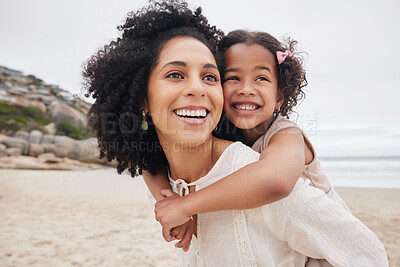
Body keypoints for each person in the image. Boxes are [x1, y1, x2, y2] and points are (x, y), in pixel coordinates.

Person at [83, 1, 388, 266]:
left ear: (280, 97)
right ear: (141, 100)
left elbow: (277, 182)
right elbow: (149, 162)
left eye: (208, 76)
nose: (196, 88)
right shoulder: (191, 159)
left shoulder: (279, 144)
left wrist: (185, 206)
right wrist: (172, 202)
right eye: (176, 74)